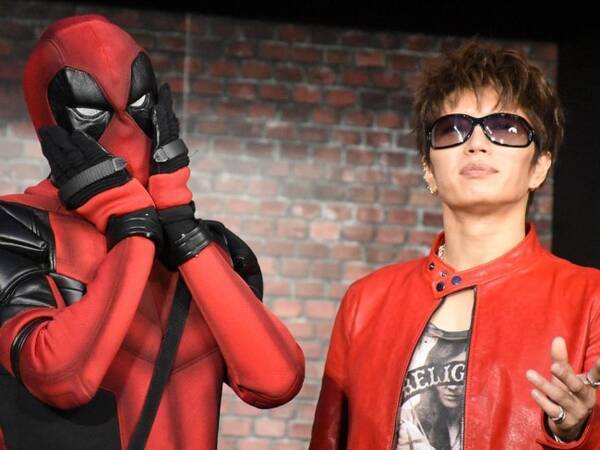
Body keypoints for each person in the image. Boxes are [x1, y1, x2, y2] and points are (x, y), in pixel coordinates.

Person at [0, 14, 304, 450]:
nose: (126, 126)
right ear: (51, 121)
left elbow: (275, 382)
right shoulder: (16, 228)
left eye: (140, 101)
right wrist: (131, 228)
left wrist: (182, 231)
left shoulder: (212, 248)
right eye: (91, 110)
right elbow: (60, 377)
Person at [309, 40, 600, 449]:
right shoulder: (366, 303)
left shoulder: (590, 298)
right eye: (453, 129)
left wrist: (576, 431)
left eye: (505, 128)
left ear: (539, 166)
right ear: (429, 169)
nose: (476, 143)